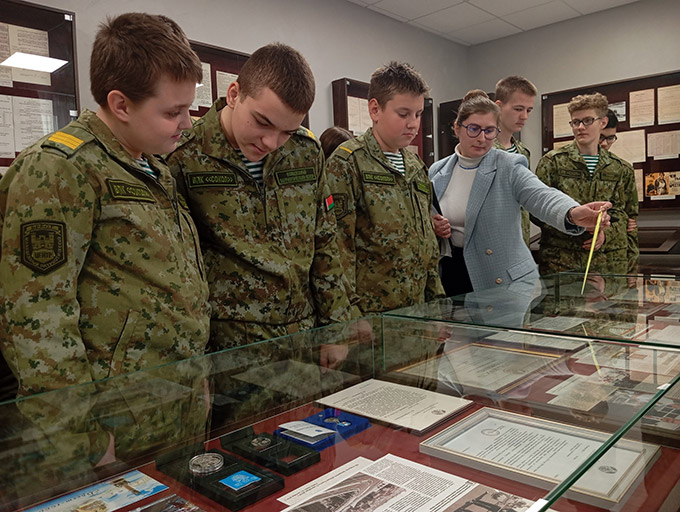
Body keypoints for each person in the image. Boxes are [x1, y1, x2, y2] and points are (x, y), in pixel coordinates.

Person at [0, 11, 210, 492]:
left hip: (171, 406)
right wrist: (84, 438)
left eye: (188, 108)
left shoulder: (152, 166)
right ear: (120, 104)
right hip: (112, 425)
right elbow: (36, 318)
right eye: (172, 112)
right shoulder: (60, 168)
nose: (187, 124)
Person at [168, 43, 354, 348]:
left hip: (302, 334)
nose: (271, 142)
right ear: (234, 95)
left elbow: (324, 241)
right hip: (230, 343)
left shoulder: (306, 151)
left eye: (287, 132)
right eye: (262, 122)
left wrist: (336, 330)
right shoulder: (184, 155)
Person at [429, 90, 611, 296]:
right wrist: (433, 225)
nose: (482, 138)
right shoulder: (438, 170)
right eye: (473, 129)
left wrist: (572, 212)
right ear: (457, 128)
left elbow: (541, 195)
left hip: (499, 276)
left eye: (490, 130)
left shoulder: (508, 165)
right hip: (453, 272)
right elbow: (429, 212)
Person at [324, 61, 444, 314]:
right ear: (375, 109)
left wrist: (437, 304)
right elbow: (337, 249)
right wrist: (351, 316)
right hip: (372, 316)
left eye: (418, 114)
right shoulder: (348, 162)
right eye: (403, 114)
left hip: (419, 311)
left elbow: (427, 245)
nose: (413, 124)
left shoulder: (416, 166)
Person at [536, 93, 637, 275]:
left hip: (608, 262)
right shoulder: (553, 162)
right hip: (562, 261)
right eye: (575, 122)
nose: (580, 127)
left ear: (603, 122)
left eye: (588, 120)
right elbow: (537, 210)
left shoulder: (620, 168)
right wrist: (575, 223)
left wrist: (604, 232)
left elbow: (626, 217)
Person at [493, 75, 538, 247]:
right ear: (498, 106)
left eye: (528, 110)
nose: (524, 116)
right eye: (518, 109)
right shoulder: (484, 151)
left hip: (520, 242)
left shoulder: (522, 153)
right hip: (494, 242)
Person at [599, 109, 639, 274]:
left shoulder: (623, 169)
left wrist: (632, 268)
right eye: (601, 137)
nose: (604, 144)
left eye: (610, 138)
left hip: (614, 257)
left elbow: (631, 222)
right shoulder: (557, 162)